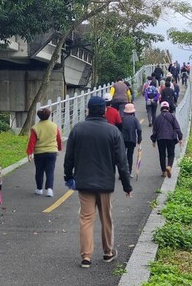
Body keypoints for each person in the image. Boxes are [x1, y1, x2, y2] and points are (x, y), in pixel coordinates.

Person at [63, 96, 132, 269]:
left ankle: (86, 256)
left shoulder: (77, 129)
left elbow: (69, 157)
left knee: (86, 219)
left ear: (88, 109)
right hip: (105, 183)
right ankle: (108, 252)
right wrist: (126, 185)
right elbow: (122, 161)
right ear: (104, 110)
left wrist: (68, 176)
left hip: (84, 182)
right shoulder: (113, 131)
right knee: (106, 218)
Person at [26, 107, 62, 197]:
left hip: (39, 153)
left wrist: (30, 153)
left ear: (39, 116)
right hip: (52, 152)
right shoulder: (54, 126)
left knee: (39, 171)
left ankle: (39, 189)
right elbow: (58, 139)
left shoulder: (35, 128)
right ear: (49, 115)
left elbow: (32, 142)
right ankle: (50, 189)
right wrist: (59, 148)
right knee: (50, 171)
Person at [150, 102, 183, 178]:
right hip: (170, 138)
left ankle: (164, 171)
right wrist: (180, 138)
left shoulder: (157, 118)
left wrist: (153, 140)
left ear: (161, 108)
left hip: (160, 138)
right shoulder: (172, 116)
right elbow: (177, 128)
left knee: (162, 155)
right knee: (171, 154)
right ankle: (169, 166)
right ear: (168, 108)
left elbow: (155, 131)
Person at [121, 103, 142, 178]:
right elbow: (139, 129)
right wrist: (139, 139)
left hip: (122, 140)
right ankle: (129, 172)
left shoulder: (122, 118)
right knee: (130, 156)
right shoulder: (135, 119)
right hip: (132, 139)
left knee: (122, 156)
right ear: (133, 112)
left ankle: (122, 173)